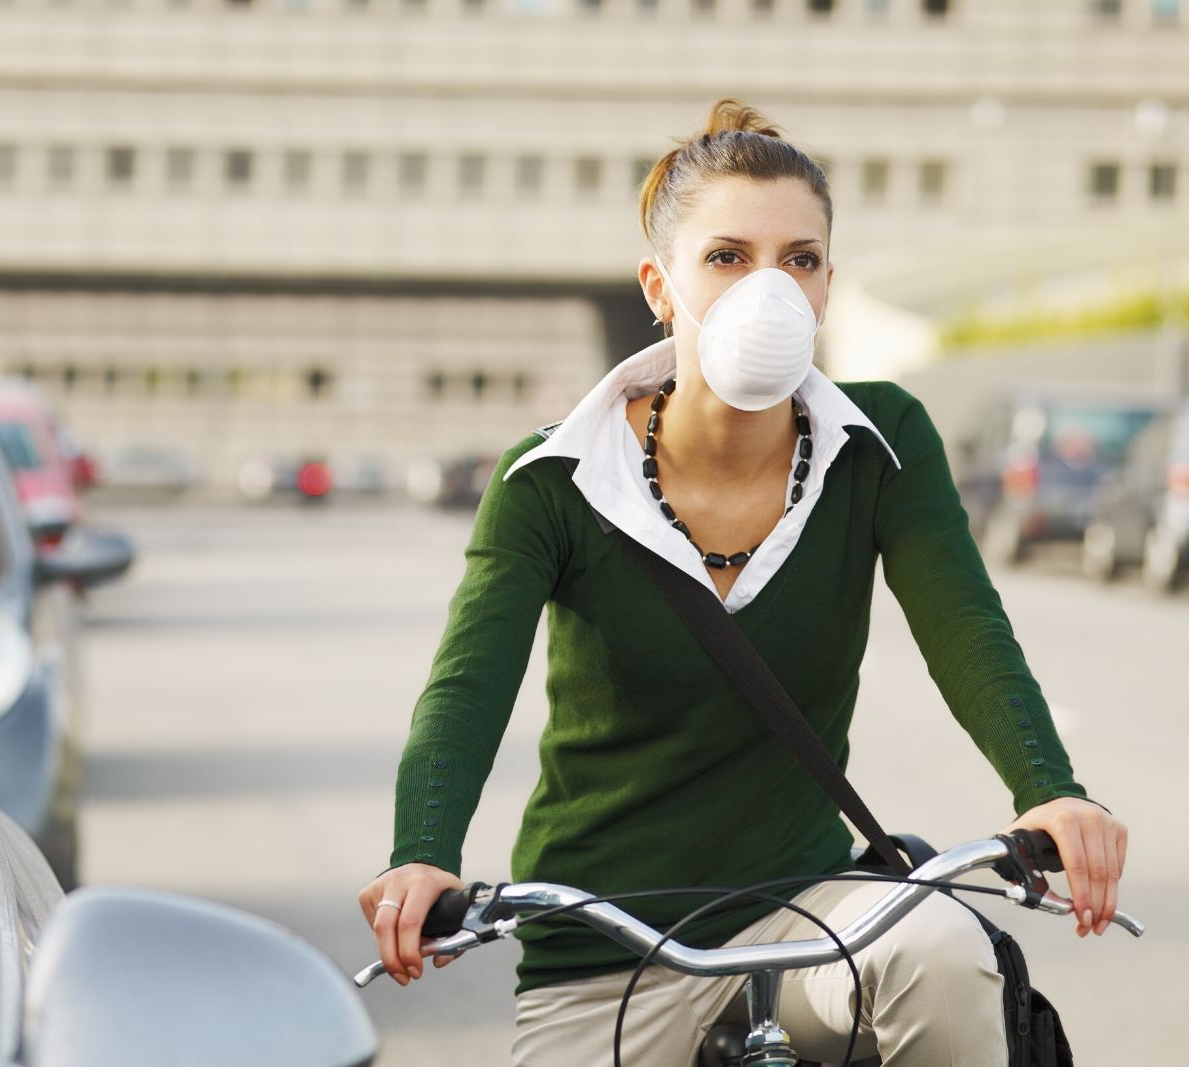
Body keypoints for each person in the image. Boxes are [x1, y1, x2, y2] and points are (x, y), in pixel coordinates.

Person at [357, 99, 1128, 1066]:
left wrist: (1051, 790)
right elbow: (466, 687)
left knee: (939, 946)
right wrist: (421, 850)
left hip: (808, 910)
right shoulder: (553, 479)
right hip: (602, 937)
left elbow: (966, 624)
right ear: (660, 286)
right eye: (727, 257)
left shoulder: (879, 445)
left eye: (799, 260)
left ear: (826, 287)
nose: (769, 286)